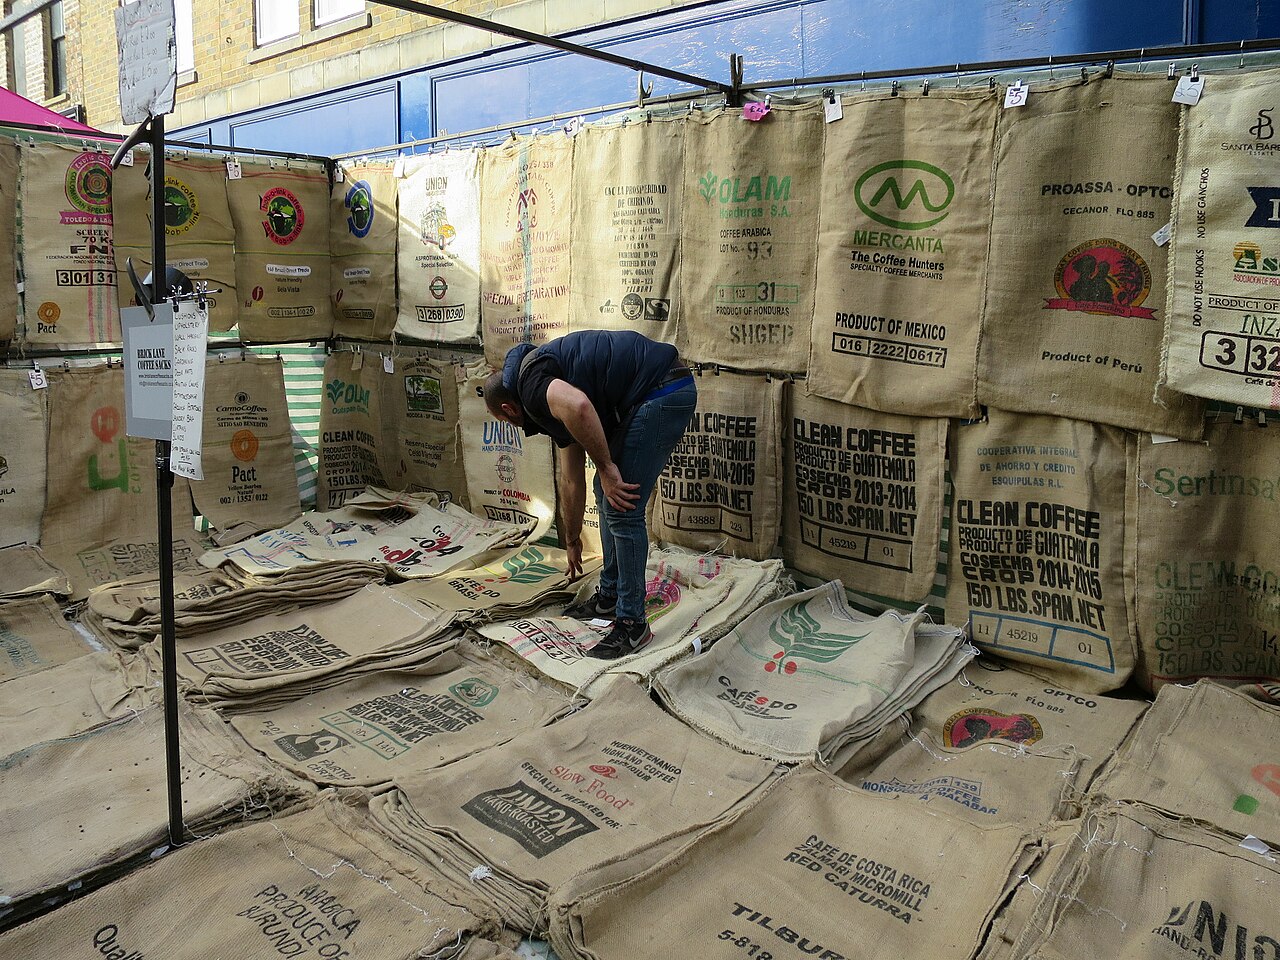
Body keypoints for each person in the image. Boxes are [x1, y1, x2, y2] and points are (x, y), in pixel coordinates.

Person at [484, 330, 697, 660]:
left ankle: (632, 624)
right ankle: (611, 595)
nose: (515, 428)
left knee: (624, 506)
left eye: (506, 422)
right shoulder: (545, 380)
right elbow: (571, 479)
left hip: (662, 390)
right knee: (605, 490)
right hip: (653, 389)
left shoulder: (532, 385)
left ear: (508, 408)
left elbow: (579, 406)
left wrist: (609, 467)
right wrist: (571, 539)